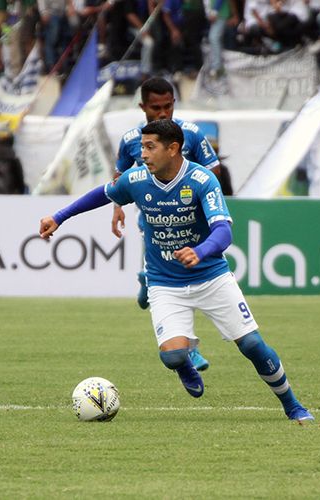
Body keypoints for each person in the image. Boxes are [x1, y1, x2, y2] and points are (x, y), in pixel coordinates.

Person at [39, 119, 315, 422]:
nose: (142, 154)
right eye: (142, 147)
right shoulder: (137, 179)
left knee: (251, 345)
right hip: (165, 282)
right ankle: (183, 363)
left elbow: (223, 232)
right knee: (172, 355)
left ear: (173, 148)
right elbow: (103, 194)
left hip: (211, 277)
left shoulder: (202, 180)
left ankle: (292, 405)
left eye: (149, 147)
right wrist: (59, 217)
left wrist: (200, 251)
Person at [112, 77, 220, 371]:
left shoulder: (192, 134)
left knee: (190, 275)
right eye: (155, 108)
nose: (162, 113)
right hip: (154, 212)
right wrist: (117, 207)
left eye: (168, 106)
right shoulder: (131, 140)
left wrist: (208, 204)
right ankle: (190, 347)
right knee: (178, 276)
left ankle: (147, 276)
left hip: (190, 217)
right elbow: (118, 176)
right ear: (143, 107)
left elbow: (214, 169)